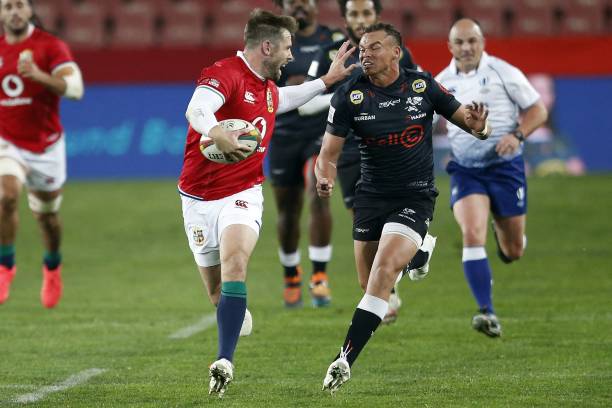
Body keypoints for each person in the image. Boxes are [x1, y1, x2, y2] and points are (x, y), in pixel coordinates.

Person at [178, 9, 356, 398]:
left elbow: (286, 98)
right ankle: (231, 313)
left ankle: (224, 360)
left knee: (236, 263)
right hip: (196, 198)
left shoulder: (266, 87)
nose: (292, 55)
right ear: (267, 46)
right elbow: (196, 109)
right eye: (288, 47)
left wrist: (327, 81)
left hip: (242, 193)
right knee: (216, 294)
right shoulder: (224, 73)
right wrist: (216, 133)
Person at [314, 23, 491, 393]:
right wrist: (324, 176)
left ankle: (343, 359)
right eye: (363, 48)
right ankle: (420, 252)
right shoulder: (349, 96)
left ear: (396, 52)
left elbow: (469, 122)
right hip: (370, 198)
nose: (365, 54)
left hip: (413, 197)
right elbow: (328, 153)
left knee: (383, 272)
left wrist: (480, 128)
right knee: (369, 286)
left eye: (374, 48)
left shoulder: (423, 86)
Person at [306, 0, 433, 323]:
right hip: (346, 150)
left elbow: (420, 92)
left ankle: (389, 287)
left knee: (387, 226)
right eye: (354, 14)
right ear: (345, 18)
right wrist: (339, 96)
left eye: (366, 13)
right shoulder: (331, 52)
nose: (360, 19)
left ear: (376, 16)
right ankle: (398, 274)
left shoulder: (394, 51)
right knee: (366, 228)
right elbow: (305, 105)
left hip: (388, 151)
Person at [436, 18, 548, 338]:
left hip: (505, 168)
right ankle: (486, 311)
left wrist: (517, 135)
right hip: (466, 169)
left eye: (472, 40)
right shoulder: (441, 82)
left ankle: (508, 241)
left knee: (513, 251)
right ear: (450, 47)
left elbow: (538, 110)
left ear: (482, 42)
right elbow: (422, 123)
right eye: (460, 42)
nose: (467, 47)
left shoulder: (504, 72)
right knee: (472, 233)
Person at [0, 0, 84, 308]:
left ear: (29, 10)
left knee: (47, 218)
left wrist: (38, 76)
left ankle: (52, 267)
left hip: (46, 146)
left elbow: (75, 89)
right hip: (7, 142)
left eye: (19, 5)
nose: (14, 12)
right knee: (6, 196)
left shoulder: (49, 46)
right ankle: (6, 265)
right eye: (7, 6)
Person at [270, 0, 345, 308]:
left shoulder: (336, 41)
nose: (299, 7)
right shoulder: (271, 44)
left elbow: (350, 81)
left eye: (306, 2)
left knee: (319, 193)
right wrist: (285, 87)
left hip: (321, 133)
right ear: (281, 7)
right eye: (292, 2)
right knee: (287, 210)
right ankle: (291, 276)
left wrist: (317, 94)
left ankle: (319, 277)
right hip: (283, 134)